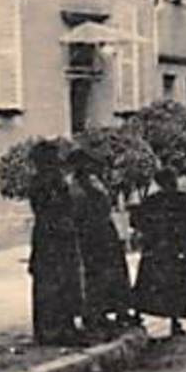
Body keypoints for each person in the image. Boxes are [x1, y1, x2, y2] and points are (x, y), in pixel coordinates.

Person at [64, 144, 138, 341]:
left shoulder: (93, 184)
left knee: (111, 272)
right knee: (94, 275)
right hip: (90, 234)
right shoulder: (75, 188)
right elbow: (78, 213)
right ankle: (95, 314)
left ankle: (112, 311)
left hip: (104, 232)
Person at [131, 169, 186, 337]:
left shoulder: (153, 201)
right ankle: (172, 320)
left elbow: (137, 221)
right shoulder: (181, 200)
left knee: (155, 283)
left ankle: (145, 315)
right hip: (171, 248)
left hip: (162, 248)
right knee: (172, 284)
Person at [26, 141, 82, 346]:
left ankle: (51, 328)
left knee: (51, 282)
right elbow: (58, 207)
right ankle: (57, 328)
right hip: (55, 235)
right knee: (58, 281)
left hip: (47, 235)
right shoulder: (50, 182)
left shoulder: (40, 181)